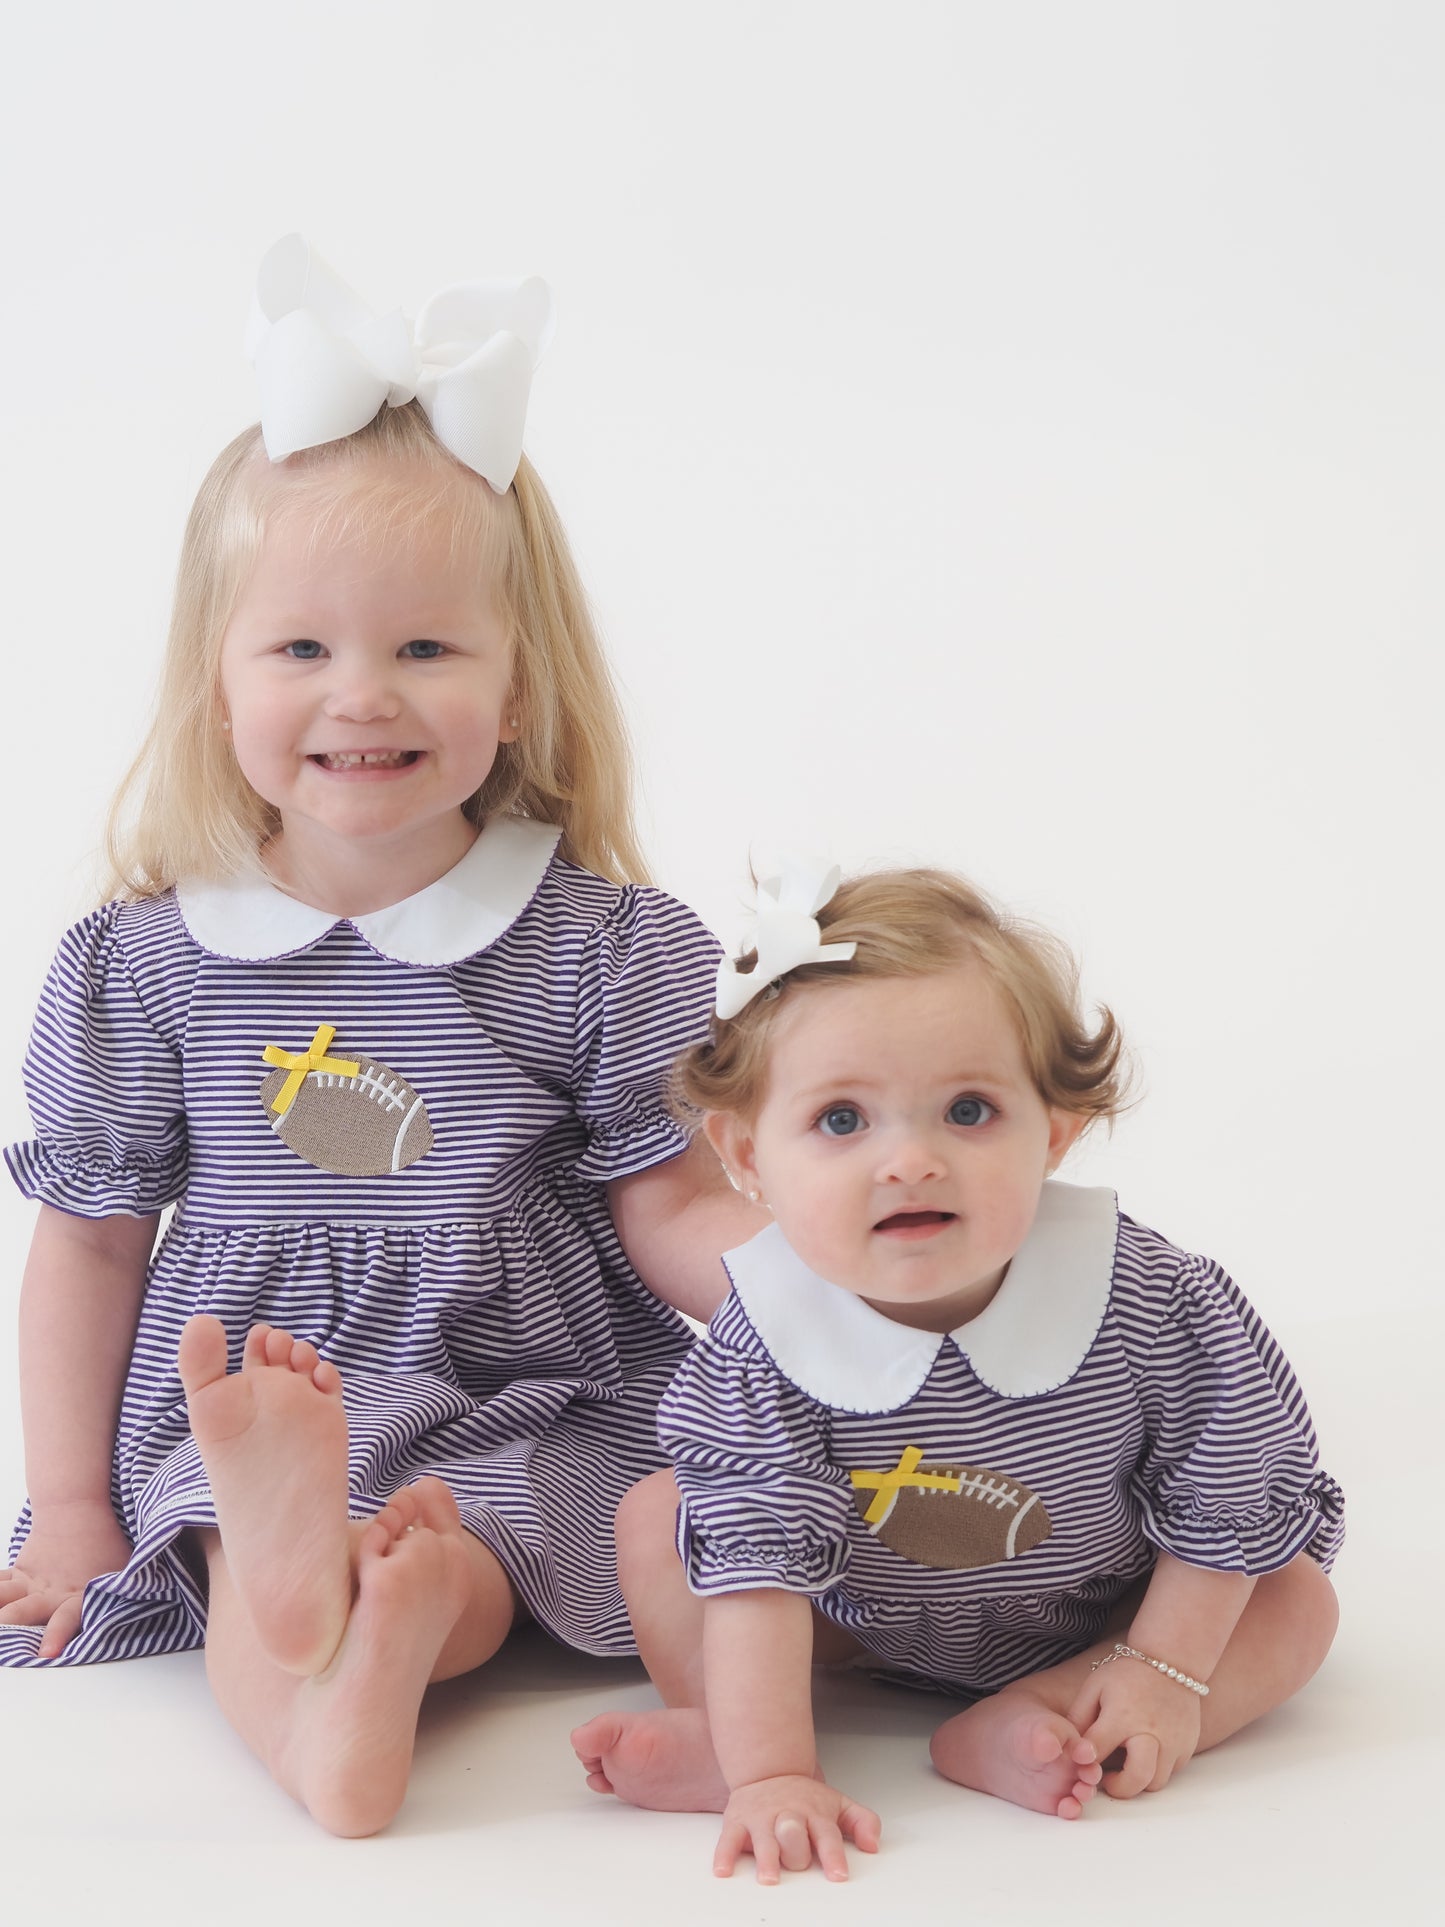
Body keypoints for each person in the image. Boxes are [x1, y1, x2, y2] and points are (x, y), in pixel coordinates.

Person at [0, 238, 754, 1836]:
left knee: (484, 1532)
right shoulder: (152, 959)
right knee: (213, 1518)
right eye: (300, 649)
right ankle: (330, 1650)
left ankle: (381, 1630)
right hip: (258, 1381)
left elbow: (671, 1206)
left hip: (525, 1376)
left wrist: (832, 1291)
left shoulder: (598, 941)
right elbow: (91, 1246)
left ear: (520, 684)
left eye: (423, 648)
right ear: (216, 685)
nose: (364, 695)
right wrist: (69, 1503)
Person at [573, 863, 1343, 1883]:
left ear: (1053, 1131)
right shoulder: (764, 1340)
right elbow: (758, 1572)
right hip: (853, 1620)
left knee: (1292, 1600)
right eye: (841, 1121)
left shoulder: (1148, 1298)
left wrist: (1165, 1665)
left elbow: (1228, 1483)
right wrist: (773, 1773)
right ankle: (729, 1738)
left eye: (968, 1111)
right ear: (745, 1155)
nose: (908, 1161)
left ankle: (1058, 1704)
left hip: (1104, 1602)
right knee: (656, 1519)